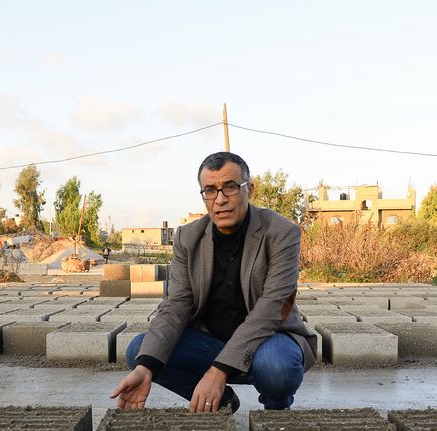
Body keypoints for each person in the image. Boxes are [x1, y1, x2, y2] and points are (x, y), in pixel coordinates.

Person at [110, 152, 317, 412]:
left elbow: (271, 309)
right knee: (142, 351)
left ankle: (276, 409)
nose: (220, 200)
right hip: (209, 343)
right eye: (210, 190)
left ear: (249, 189)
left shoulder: (281, 233)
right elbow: (176, 305)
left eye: (230, 187)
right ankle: (220, 401)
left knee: (277, 367)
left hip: (267, 341)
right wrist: (145, 368)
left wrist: (218, 371)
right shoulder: (188, 237)